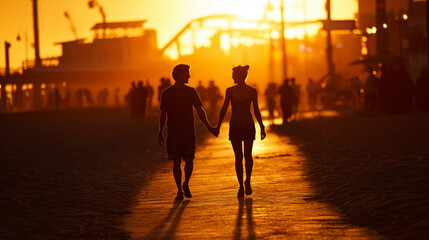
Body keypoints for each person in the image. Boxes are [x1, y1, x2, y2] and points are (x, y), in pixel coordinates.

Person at [159, 64, 216, 201]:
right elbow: (163, 114)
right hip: (173, 133)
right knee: (176, 162)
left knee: (188, 161)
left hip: (188, 132)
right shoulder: (166, 93)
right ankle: (179, 189)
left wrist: (208, 126)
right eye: (187, 74)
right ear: (179, 75)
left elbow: (200, 110)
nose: (189, 76)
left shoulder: (191, 91)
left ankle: (185, 184)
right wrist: (160, 131)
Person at [215, 65, 266, 198]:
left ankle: (241, 186)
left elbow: (224, 110)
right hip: (248, 125)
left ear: (239, 75)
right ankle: (246, 181)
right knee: (247, 156)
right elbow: (256, 111)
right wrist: (261, 126)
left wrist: (218, 127)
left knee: (239, 157)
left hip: (237, 126)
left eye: (233, 74)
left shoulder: (230, 91)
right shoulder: (251, 91)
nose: (232, 76)